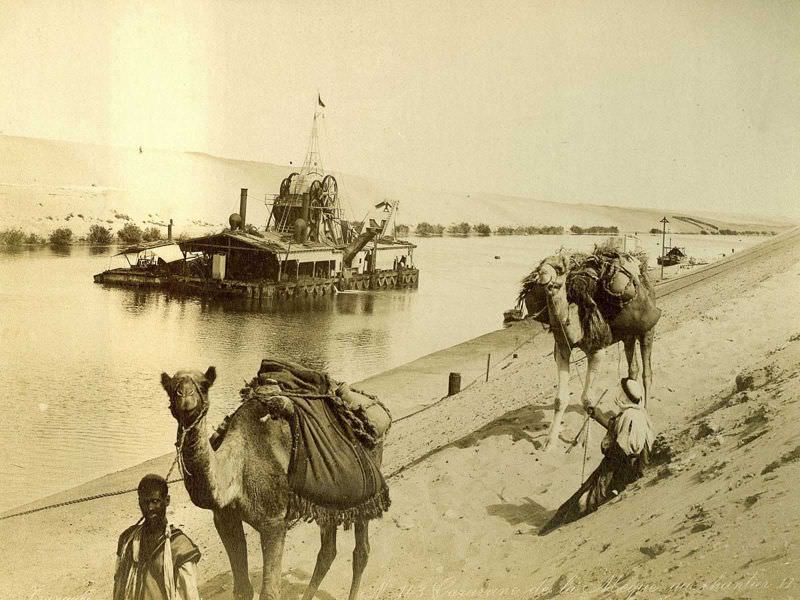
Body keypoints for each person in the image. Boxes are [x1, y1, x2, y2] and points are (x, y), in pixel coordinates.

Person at [539, 378, 655, 535]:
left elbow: (627, 450)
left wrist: (610, 460)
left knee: (585, 501)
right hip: (615, 464)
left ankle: (557, 529)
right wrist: (597, 415)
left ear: (625, 396)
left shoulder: (631, 417)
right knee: (578, 497)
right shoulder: (634, 414)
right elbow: (615, 428)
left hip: (620, 469)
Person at [113, 474, 201, 600]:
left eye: (155, 501)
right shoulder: (127, 540)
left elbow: (190, 594)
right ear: (139, 502)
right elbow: (118, 584)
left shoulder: (180, 546)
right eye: (145, 502)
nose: (150, 508)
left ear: (167, 501)